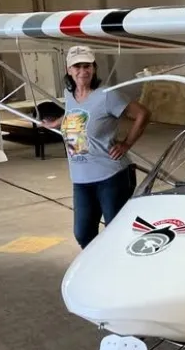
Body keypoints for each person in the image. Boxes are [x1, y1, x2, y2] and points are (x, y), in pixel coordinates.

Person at [42, 45, 151, 249]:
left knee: (115, 232)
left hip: (111, 176)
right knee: (83, 234)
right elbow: (74, 112)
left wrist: (126, 143)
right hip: (81, 178)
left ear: (94, 68)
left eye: (87, 66)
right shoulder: (69, 94)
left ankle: (121, 272)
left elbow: (143, 114)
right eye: (77, 66)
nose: (83, 71)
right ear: (69, 70)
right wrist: (57, 123)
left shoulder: (107, 95)